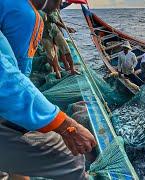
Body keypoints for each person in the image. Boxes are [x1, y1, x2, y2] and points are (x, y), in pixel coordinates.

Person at [0, 0, 96, 179]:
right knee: (72, 160)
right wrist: (66, 126)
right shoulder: (26, 14)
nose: (62, 4)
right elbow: (11, 77)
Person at [39, 8, 79, 79]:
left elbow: (57, 19)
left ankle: (72, 69)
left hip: (55, 31)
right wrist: (67, 28)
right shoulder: (40, 8)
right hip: (45, 35)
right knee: (51, 55)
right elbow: (53, 19)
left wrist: (64, 29)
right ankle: (57, 71)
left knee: (66, 49)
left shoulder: (53, 7)